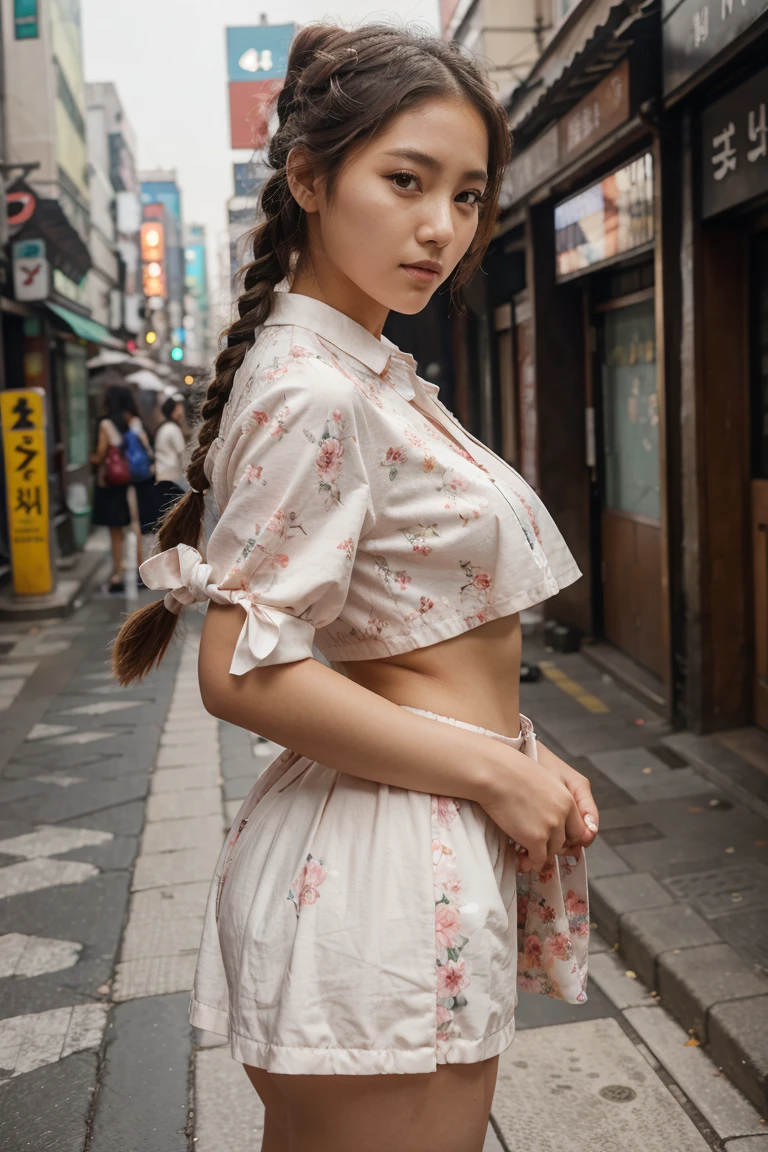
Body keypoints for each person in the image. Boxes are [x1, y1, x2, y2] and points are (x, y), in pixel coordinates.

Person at [112, 24, 600, 1152]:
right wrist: (491, 764)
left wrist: (520, 752)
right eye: (406, 180)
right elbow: (241, 673)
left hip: (406, 841)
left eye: (469, 195)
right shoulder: (316, 388)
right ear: (308, 180)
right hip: (381, 868)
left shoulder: (360, 370)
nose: (443, 227)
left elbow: (407, 636)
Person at [90, 383, 155, 592]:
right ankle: (141, 570)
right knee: (136, 525)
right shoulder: (134, 421)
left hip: (113, 483)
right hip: (134, 481)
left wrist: (94, 459)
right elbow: (147, 447)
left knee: (116, 530)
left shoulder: (106, 424)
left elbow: (100, 453)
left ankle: (118, 574)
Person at [151, 394, 188, 528]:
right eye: (179, 408)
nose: (181, 411)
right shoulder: (173, 429)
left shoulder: (164, 427)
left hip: (162, 474)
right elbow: (182, 454)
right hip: (172, 477)